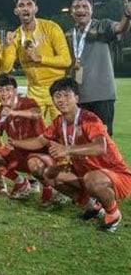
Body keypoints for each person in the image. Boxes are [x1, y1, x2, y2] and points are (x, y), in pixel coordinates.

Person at [8, 78, 131, 232]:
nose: (62, 99)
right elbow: (40, 141)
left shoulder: (89, 119)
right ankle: (92, 206)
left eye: (67, 95)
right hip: (86, 173)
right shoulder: (59, 122)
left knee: (91, 179)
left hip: (115, 175)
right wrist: (15, 143)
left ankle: (113, 214)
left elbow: (100, 147)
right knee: (50, 174)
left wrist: (67, 150)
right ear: (52, 100)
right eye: (57, 96)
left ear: (77, 98)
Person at [0, 74, 62, 204]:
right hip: (18, 155)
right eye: (0, 90)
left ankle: (47, 186)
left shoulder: (27, 102)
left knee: (34, 164)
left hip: (39, 153)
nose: (4, 94)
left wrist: (13, 112)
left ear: (15, 91)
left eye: (8, 90)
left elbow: (36, 113)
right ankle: (21, 183)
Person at [64, 0, 131, 135]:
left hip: (101, 96)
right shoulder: (68, 34)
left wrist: (127, 15)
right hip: (77, 97)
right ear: (71, 11)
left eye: (84, 6)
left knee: (102, 141)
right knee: (81, 139)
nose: (80, 10)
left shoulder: (103, 26)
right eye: (76, 7)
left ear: (92, 9)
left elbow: (120, 28)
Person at [1, 0, 71, 121]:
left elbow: (66, 60)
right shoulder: (15, 36)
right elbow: (6, 68)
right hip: (34, 90)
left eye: (29, 4)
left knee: (63, 130)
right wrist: (7, 46)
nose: (25, 8)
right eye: (21, 5)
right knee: (33, 132)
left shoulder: (51, 28)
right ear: (16, 11)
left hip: (57, 88)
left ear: (35, 8)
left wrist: (41, 58)